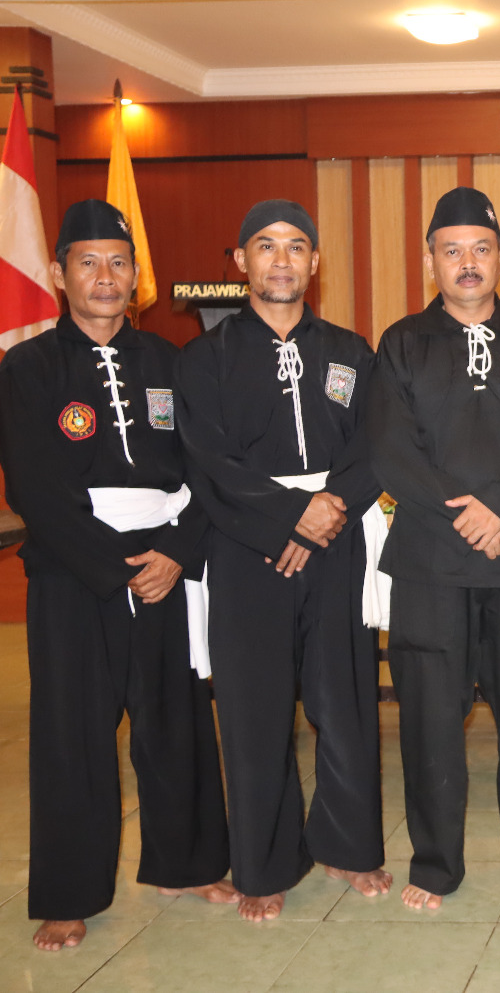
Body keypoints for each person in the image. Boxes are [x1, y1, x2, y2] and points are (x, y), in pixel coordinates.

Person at [0, 200, 237, 951]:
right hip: (76, 574)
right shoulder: (29, 368)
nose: (105, 277)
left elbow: (208, 470)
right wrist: (112, 566)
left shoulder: (172, 363)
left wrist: (174, 550)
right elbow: (32, 487)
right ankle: (69, 892)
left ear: (137, 278)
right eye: (89, 263)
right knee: (74, 734)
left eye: (119, 263)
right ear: (61, 273)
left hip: (166, 561)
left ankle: (186, 863)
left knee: (178, 721)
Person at [176, 199, 391, 921]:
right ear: (240, 262)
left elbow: (374, 446)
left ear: (314, 262)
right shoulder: (205, 358)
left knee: (346, 702)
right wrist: (287, 518)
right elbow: (208, 459)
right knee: (254, 709)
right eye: (265, 246)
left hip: (336, 541)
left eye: (296, 246)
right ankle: (264, 863)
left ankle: (350, 845)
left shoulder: (351, 351)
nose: (281, 260)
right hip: (246, 549)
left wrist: (328, 509)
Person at [368, 187, 500, 910]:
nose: (467, 264)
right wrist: (463, 514)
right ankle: (435, 865)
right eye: (452, 250)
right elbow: (390, 446)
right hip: (431, 558)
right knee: (431, 720)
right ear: (431, 258)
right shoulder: (401, 344)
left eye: (480, 249)